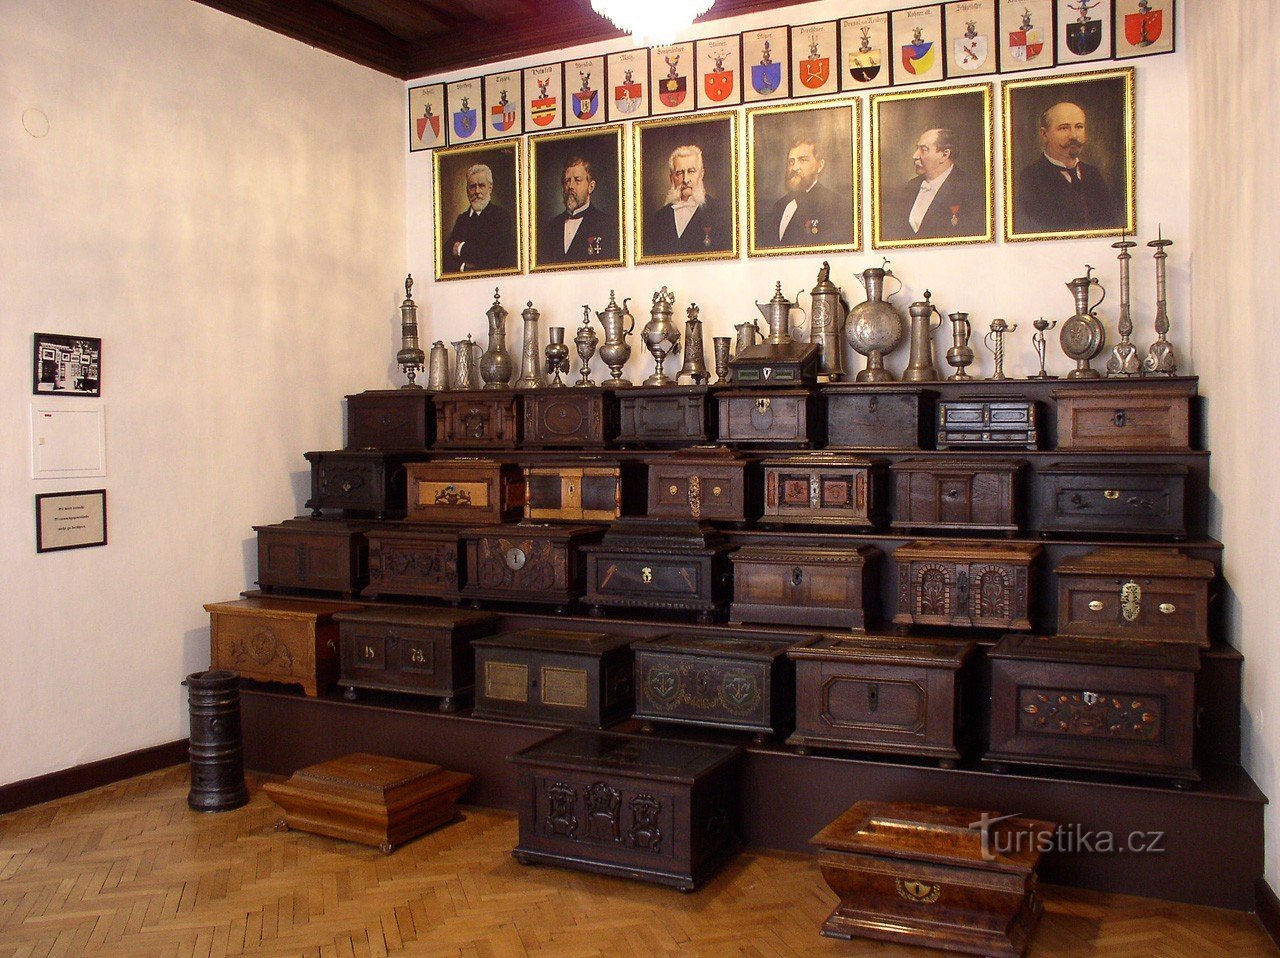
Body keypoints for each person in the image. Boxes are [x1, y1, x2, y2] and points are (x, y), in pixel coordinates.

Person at [1014, 101, 1122, 232]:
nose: (1074, 136)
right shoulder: (1029, 179)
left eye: (1079, 127)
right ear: (1044, 134)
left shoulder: (1093, 174)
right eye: (1064, 128)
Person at [882, 127, 984, 241]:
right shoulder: (912, 186)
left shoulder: (970, 189)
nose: (915, 155)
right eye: (917, 149)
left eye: (923, 150)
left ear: (945, 155)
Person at [757, 135, 850, 249]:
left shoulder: (836, 205)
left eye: (803, 160)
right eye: (791, 162)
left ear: (820, 165)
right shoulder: (779, 206)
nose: (794, 167)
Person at [644, 144, 732, 256]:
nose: (685, 180)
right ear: (671, 178)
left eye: (691, 171)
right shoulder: (657, 219)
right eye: (679, 173)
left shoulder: (719, 213)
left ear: (701, 174)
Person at [537, 156, 618, 265]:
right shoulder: (550, 228)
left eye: (577, 180)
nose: (571, 186)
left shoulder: (607, 225)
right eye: (567, 181)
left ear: (591, 186)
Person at [443, 163, 516, 273]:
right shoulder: (462, 219)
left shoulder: (501, 216)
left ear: (490, 188)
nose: (477, 191)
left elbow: (494, 257)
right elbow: (446, 256)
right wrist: (465, 264)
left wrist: (460, 248)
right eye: (472, 187)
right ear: (467, 191)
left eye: (481, 186)